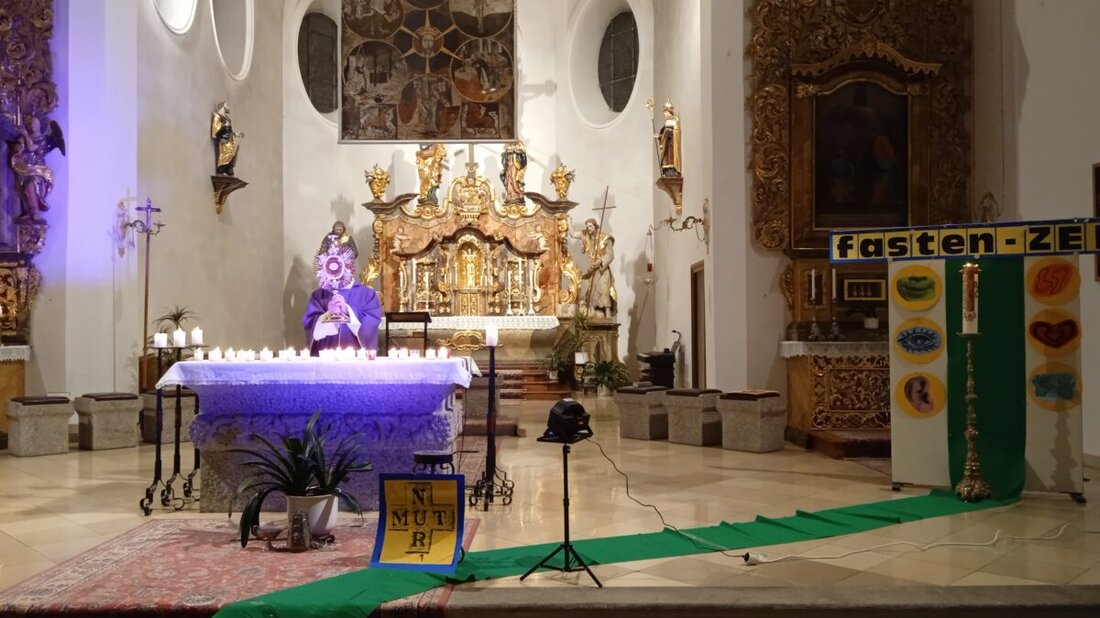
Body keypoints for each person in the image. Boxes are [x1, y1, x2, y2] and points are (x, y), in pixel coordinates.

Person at [303, 225, 382, 354]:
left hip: (357, 364)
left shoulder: (367, 295)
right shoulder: (319, 296)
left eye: (344, 259)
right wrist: (327, 315)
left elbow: (370, 327)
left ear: (351, 262)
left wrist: (348, 311)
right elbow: (310, 327)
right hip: (325, 362)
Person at [573, 218, 617, 318]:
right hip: (593, 270)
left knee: (604, 288)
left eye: (591, 226)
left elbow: (610, 255)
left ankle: (608, 312)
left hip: (603, 269)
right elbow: (573, 234)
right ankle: (593, 312)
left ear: (596, 226)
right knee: (592, 291)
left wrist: (600, 261)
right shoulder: (587, 237)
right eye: (587, 226)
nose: (589, 228)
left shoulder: (605, 238)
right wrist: (568, 222)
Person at [211, 101, 243, 176]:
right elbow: (216, 129)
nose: (229, 107)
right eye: (227, 105)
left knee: (233, 152)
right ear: (223, 106)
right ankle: (222, 169)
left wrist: (236, 134)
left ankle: (229, 169)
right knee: (226, 153)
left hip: (230, 138)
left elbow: (230, 130)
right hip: (224, 139)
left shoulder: (227, 118)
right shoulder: (218, 116)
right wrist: (224, 126)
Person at [656, 100, 681, 177]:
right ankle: (666, 171)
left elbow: (675, 132)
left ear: (669, 112)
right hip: (666, 144)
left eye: (665, 112)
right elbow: (664, 132)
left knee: (670, 157)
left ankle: (672, 170)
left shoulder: (674, 121)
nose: (664, 114)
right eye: (664, 113)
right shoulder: (666, 123)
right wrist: (659, 137)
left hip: (671, 145)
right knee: (666, 158)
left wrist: (668, 133)